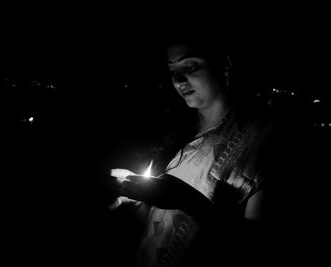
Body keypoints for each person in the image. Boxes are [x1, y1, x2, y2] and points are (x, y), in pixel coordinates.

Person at [108, 33, 289, 267]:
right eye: (173, 71)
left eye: (190, 66)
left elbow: (257, 246)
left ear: (224, 64)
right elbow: (163, 222)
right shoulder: (176, 132)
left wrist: (187, 201)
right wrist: (139, 201)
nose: (179, 81)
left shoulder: (262, 139)